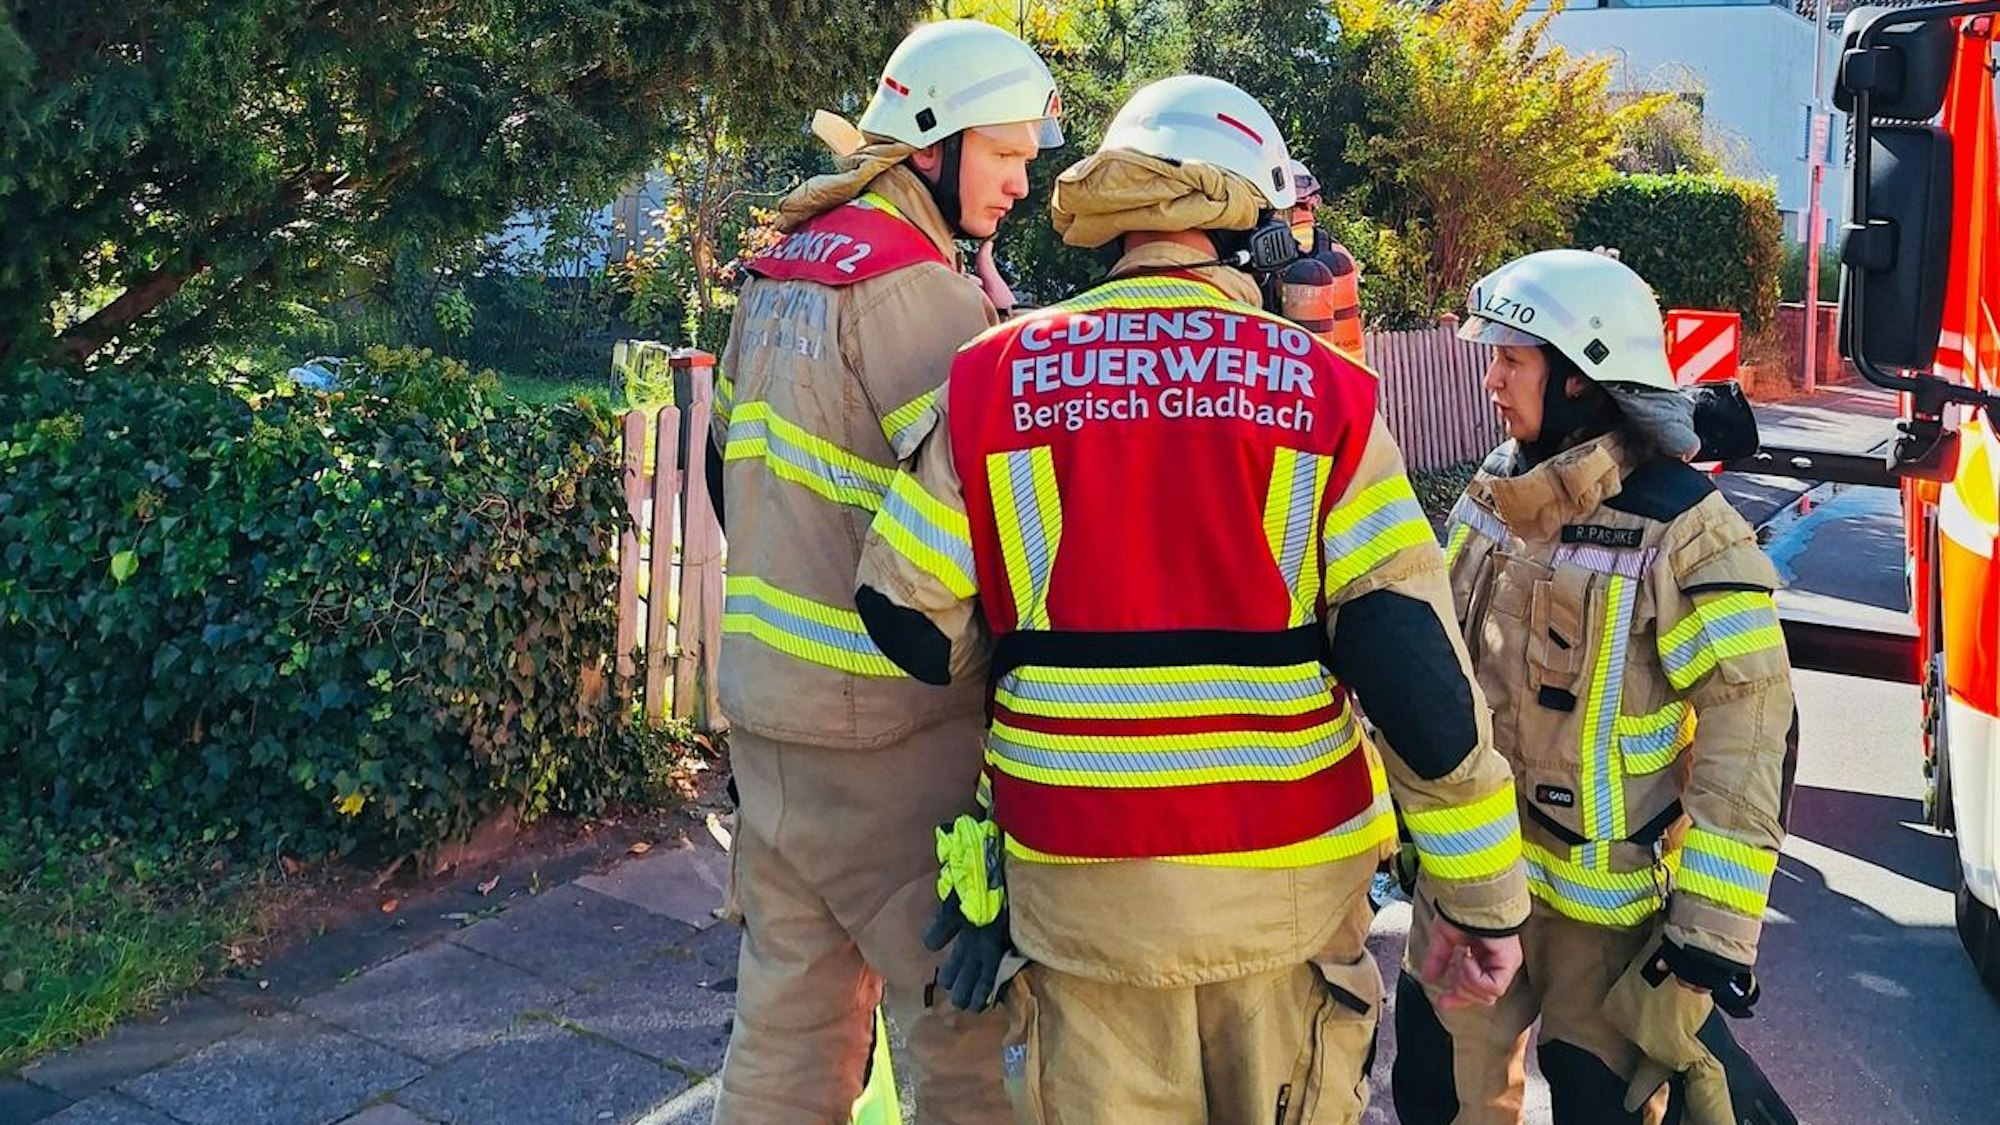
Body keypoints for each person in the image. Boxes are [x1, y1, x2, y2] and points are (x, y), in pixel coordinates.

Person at [852, 74, 1529, 1124]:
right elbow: (1413, 674)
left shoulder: (991, 376)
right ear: (1246, 226)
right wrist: (1479, 900)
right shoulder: (1324, 394)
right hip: (1283, 901)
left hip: (1073, 892)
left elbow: (905, 619)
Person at [703, 19, 1061, 1125]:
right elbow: (982, 526)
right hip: (891, 740)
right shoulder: (919, 294)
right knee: (958, 1031)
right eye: (1004, 156)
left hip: (768, 723)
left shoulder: (782, 269)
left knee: (785, 1022)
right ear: (932, 146)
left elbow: (728, 478)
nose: (1018, 182)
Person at [1392, 249, 1796, 1125]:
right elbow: (1438, 666)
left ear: (1581, 379)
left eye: (1513, 360)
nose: (1492, 380)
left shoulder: (1685, 529)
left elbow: (1752, 724)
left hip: (1606, 925)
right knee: (1433, 1097)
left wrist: (1709, 932)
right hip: (1472, 888)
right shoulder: (1493, 490)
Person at [1282, 159, 1364, 354]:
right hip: (1342, 364)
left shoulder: (1265, 254)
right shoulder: (1339, 254)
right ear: (1313, 202)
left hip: (1288, 365)